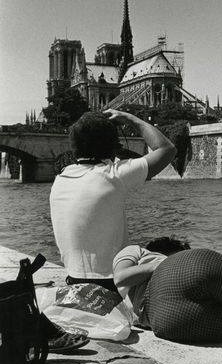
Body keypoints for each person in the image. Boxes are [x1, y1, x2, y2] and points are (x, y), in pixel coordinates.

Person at [50, 109, 176, 291]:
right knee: (169, 253)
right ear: (112, 146)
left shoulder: (61, 178)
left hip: (74, 280)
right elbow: (167, 149)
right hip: (113, 284)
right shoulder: (113, 175)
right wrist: (130, 118)